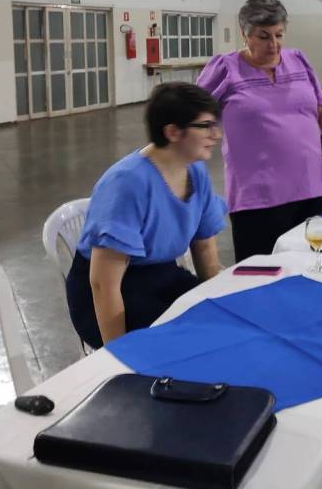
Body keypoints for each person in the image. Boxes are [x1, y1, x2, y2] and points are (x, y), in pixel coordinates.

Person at [65, 83, 226, 349]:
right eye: (205, 126)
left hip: (161, 275)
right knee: (179, 343)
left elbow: (205, 248)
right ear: (172, 132)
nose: (216, 134)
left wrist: (217, 304)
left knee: (219, 327)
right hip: (110, 293)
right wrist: (119, 355)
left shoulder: (195, 172)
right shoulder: (127, 183)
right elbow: (103, 284)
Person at [197, 0, 322, 261]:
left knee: (307, 264)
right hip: (257, 195)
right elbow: (191, 113)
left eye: (279, 35)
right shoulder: (226, 69)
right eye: (264, 36)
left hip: (308, 185)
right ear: (244, 35)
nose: (274, 44)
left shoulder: (298, 60)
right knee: (261, 271)